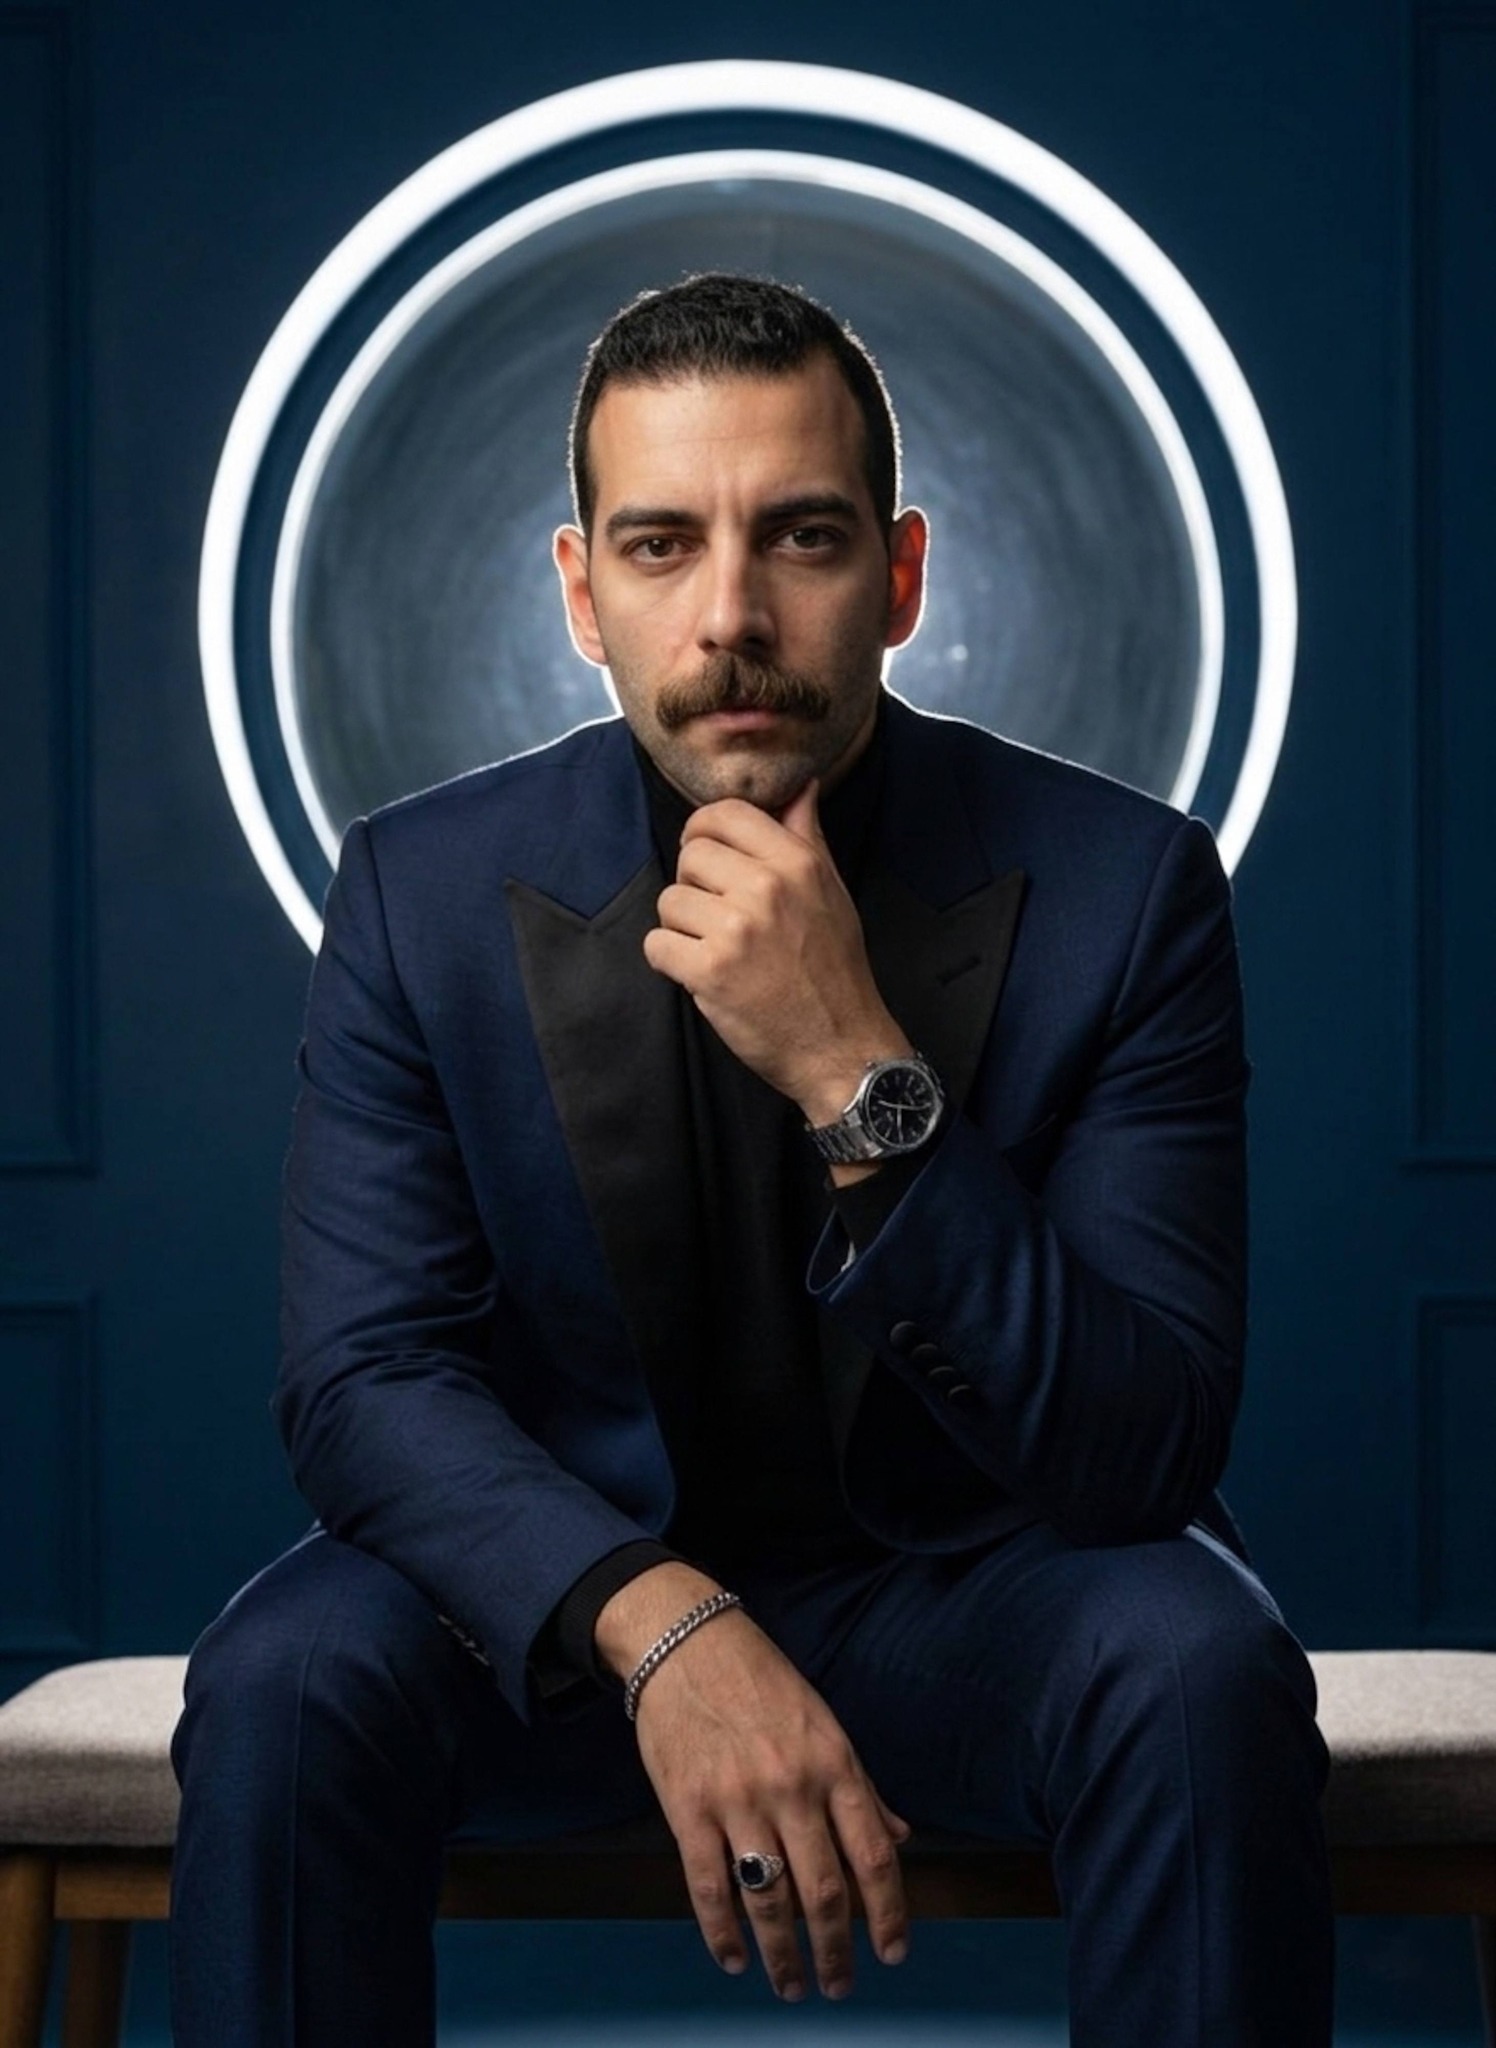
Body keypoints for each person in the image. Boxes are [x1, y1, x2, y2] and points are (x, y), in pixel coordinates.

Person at [170, 272, 1334, 2046]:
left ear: (901, 575)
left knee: (1199, 1667)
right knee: (284, 1679)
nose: (731, 615)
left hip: (969, 1598)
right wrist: (661, 1626)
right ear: (583, 593)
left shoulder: (1129, 887)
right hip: (567, 1622)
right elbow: (362, 1379)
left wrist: (857, 1068)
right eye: (661, 546)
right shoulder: (418, 890)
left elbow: (1144, 1441)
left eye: (801, 535)